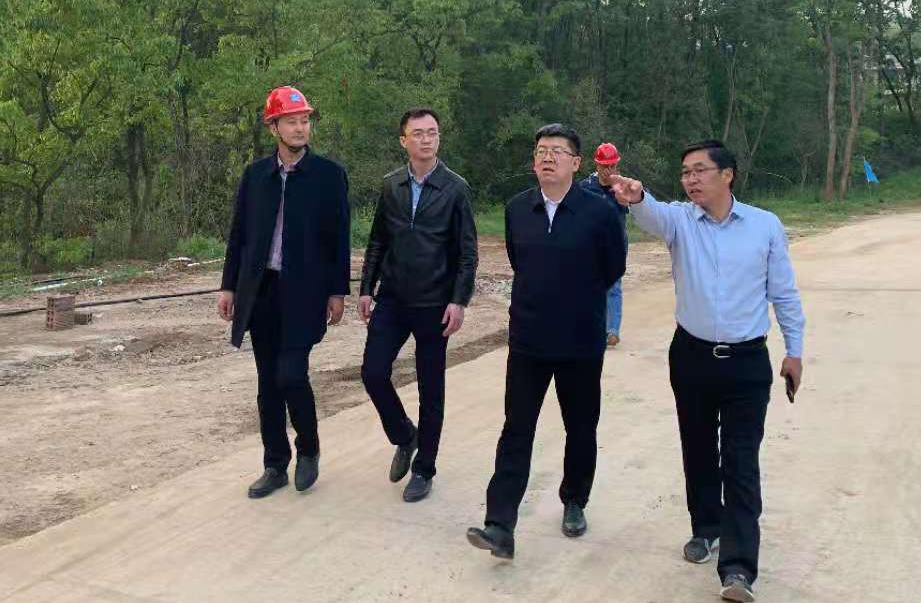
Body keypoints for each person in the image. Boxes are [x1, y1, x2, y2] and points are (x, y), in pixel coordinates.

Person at [610, 140, 804, 603]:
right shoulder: (680, 221)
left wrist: (794, 351)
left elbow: (784, 293)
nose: (691, 179)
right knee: (697, 450)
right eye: (685, 172)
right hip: (691, 356)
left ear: (727, 174)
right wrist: (636, 196)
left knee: (740, 460)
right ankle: (706, 527)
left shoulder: (764, 226)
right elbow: (650, 212)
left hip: (747, 362)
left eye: (699, 170)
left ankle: (738, 567)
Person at [466, 123, 627, 560]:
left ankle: (575, 500)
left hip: (580, 340)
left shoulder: (600, 212)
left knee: (581, 426)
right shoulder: (518, 209)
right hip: (528, 340)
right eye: (541, 151)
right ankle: (500, 523)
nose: (548, 157)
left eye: (557, 151)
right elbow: (520, 261)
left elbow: (613, 267)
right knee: (516, 429)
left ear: (576, 162)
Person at [217, 86, 350, 499]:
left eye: (304, 120)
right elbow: (239, 234)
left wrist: (337, 291)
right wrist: (228, 286)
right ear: (273, 127)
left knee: (291, 373)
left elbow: (339, 238)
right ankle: (274, 464)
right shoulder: (256, 175)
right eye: (291, 121)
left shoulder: (328, 175)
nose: (300, 128)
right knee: (267, 384)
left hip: (305, 293)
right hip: (261, 291)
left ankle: (308, 447)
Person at [358, 108, 478, 503]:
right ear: (403, 140)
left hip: (434, 303)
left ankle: (424, 468)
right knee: (373, 372)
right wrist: (366, 288)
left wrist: (458, 300)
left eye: (432, 132)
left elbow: (467, 253)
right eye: (418, 133)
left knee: (431, 389)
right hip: (392, 298)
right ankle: (404, 435)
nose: (426, 139)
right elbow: (377, 241)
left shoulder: (455, 188)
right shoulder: (391, 185)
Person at [576, 141, 629, 347]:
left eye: (612, 166)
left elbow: (639, 208)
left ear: (617, 165)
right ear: (597, 165)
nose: (608, 170)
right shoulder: (585, 187)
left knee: (613, 286)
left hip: (616, 243)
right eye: (604, 166)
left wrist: (624, 197)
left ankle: (612, 330)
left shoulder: (624, 187)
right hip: (590, 244)